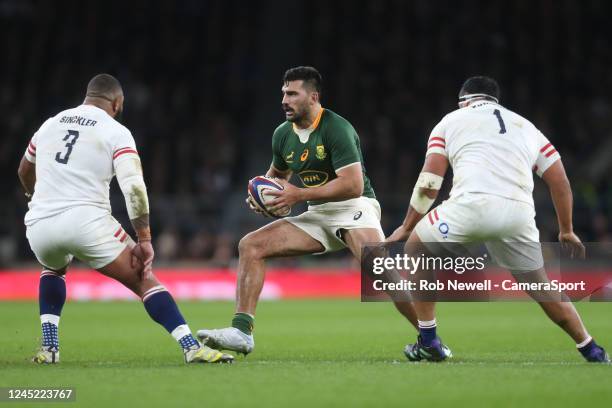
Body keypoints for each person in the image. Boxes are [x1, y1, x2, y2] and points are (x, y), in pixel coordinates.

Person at [197, 66, 420, 354]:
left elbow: (352, 185)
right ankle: (242, 331)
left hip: (355, 206)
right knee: (251, 245)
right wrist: (265, 196)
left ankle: (428, 336)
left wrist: (297, 194)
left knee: (380, 271)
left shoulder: (336, 127)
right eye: (283, 93)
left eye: (292, 94)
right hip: (318, 213)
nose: (284, 100)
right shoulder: (282, 134)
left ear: (313, 97)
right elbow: (278, 177)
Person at [387, 76, 609, 363]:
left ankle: (428, 341)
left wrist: (406, 226)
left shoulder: (451, 120)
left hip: (471, 205)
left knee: (416, 248)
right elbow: (560, 181)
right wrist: (566, 229)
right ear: (495, 100)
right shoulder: (526, 126)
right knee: (541, 286)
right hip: (518, 214)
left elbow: (430, 182)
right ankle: (592, 349)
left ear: (464, 100)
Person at [18, 73, 233, 364]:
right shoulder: (115, 130)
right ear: (117, 103)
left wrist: (34, 197)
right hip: (86, 222)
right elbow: (133, 187)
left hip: (39, 225)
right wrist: (144, 239)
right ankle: (191, 346)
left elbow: (23, 171)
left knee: (53, 268)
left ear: (87, 95)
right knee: (144, 280)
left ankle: (49, 348)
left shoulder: (50, 123)